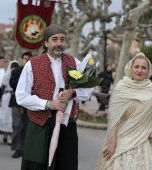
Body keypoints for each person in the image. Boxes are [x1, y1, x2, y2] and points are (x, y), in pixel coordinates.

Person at [15, 24, 93, 170]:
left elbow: (88, 89)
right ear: (46, 42)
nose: (59, 43)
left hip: (66, 123)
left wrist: (73, 93)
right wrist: (48, 104)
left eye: (62, 40)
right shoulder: (33, 64)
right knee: (39, 165)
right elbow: (21, 95)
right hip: (40, 124)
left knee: (66, 165)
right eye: (54, 39)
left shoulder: (74, 62)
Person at [96, 52, 152, 170]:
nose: (139, 70)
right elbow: (114, 119)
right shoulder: (121, 88)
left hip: (146, 144)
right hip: (123, 142)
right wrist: (112, 142)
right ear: (131, 68)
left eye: (143, 68)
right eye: (137, 67)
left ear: (148, 70)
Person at [9, 52, 33, 158]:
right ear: (22, 60)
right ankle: (17, 148)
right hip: (16, 102)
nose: (27, 61)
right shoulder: (17, 71)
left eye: (29, 59)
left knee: (27, 127)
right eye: (25, 59)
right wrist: (23, 78)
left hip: (29, 104)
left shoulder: (35, 72)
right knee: (17, 125)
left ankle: (24, 148)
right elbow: (11, 84)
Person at [0, 61, 19, 145]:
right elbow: (2, 88)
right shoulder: (6, 76)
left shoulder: (18, 77)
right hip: (6, 98)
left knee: (12, 118)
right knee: (5, 116)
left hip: (14, 97)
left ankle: (11, 137)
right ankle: (5, 134)